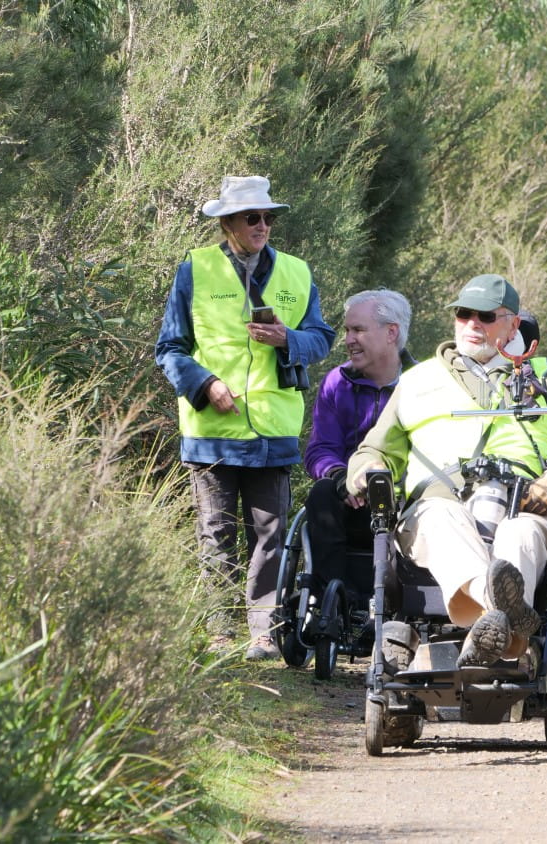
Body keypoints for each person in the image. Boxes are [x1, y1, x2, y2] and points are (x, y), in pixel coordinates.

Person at [344, 274, 547, 668]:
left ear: (513, 324)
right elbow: (373, 450)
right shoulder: (417, 380)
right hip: (438, 507)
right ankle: (502, 625)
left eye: (486, 316)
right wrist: (368, 470)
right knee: (442, 517)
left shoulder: (543, 377)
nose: (472, 324)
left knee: (519, 532)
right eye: (463, 314)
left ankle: (488, 630)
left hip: (525, 507)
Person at [156, 175, 336, 660]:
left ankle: (263, 631)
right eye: (252, 217)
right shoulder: (194, 269)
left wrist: (288, 341)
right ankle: (217, 629)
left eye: (269, 217)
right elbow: (169, 349)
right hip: (212, 433)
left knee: (271, 534)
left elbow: (322, 338)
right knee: (215, 533)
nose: (263, 225)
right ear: (227, 223)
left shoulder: (298, 272)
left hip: (273, 433)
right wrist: (206, 384)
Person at [302, 289, 415, 608]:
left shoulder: (422, 383)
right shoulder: (337, 382)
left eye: (359, 330)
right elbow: (320, 449)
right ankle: (332, 603)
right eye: (347, 330)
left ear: (391, 332)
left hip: (405, 504)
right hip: (350, 500)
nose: (348, 339)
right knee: (322, 494)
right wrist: (342, 479)